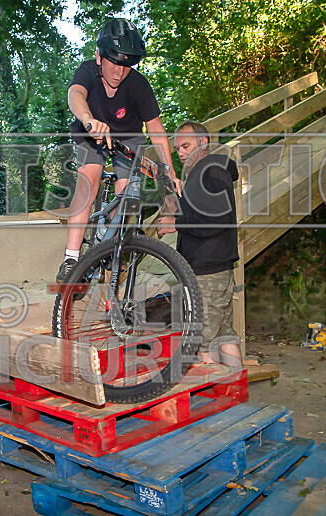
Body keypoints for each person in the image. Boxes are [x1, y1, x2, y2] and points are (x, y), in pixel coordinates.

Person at [56, 17, 181, 282]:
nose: (119, 72)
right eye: (113, 63)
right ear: (99, 57)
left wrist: (169, 169)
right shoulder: (87, 71)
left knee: (127, 196)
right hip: (91, 131)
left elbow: (155, 127)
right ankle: (71, 258)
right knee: (89, 180)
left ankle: (106, 238)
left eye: (126, 66)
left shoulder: (138, 84)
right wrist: (88, 119)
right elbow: (75, 94)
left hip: (128, 137)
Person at [157, 121, 242, 367]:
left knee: (202, 343)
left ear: (203, 142)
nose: (181, 153)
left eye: (186, 146)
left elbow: (217, 220)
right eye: (177, 149)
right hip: (215, 268)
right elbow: (203, 214)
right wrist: (177, 206)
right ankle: (235, 385)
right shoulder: (204, 173)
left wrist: (177, 224)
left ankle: (214, 389)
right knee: (224, 336)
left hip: (208, 271)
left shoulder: (211, 171)